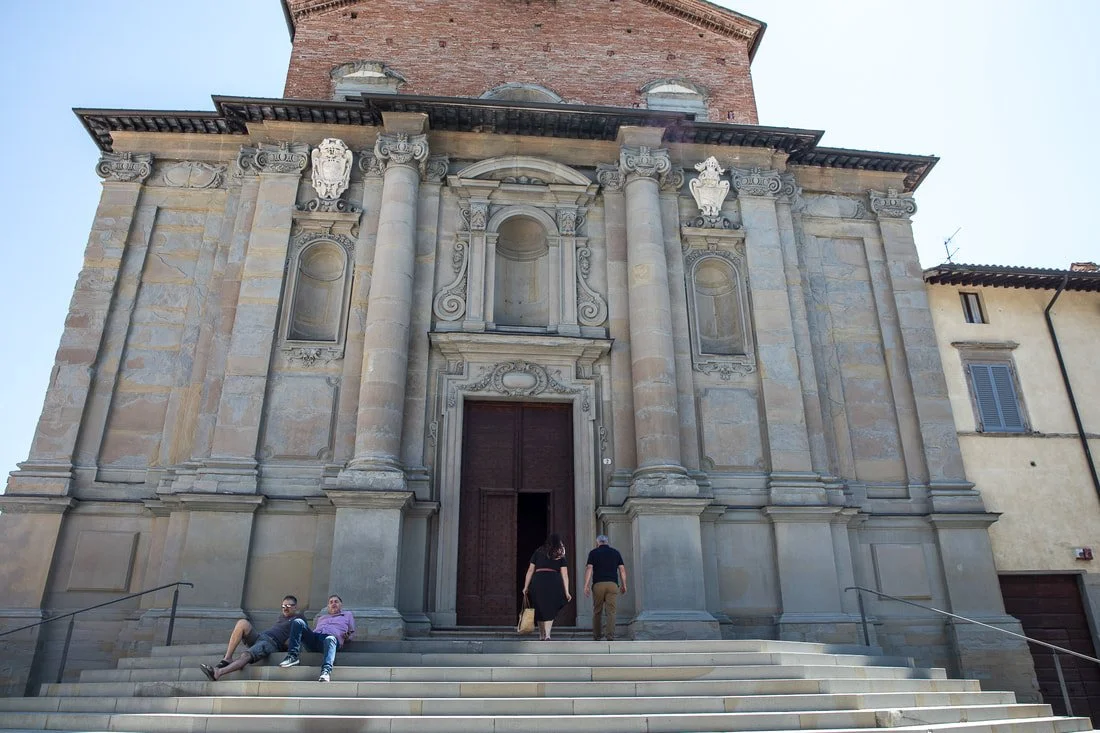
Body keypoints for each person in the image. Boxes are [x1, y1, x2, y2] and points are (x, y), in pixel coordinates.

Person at [199, 595, 305, 681]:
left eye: (288, 606)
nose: (285, 608)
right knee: (242, 623)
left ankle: (218, 673)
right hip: (261, 636)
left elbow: (294, 640)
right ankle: (227, 658)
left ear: (295, 607)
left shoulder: (299, 619)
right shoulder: (282, 617)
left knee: (246, 655)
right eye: (283, 606)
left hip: (271, 643)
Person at [278, 593, 356, 682]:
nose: (333, 604)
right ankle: (292, 656)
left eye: (336, 602)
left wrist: (347, 638)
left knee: (330, 639)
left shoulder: (347, 615)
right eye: (331, 602)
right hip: (315, 639)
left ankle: (326, 672)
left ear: (341, 605)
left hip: (331, 641)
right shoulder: (321, 618)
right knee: (298, 621)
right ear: (328, 606)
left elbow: (352, 633)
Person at [522, 532, 572, 640]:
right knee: (550, 607)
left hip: (538, 580)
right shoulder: (560, 555)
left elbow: (530, 570)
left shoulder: (538, 551)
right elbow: (565, 575)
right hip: (553, 581)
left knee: (539, 608)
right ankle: (548, 635)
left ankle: (541, 635)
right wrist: (567, 591)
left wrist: (526, 586)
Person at [583, 534, 627, 641]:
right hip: (612, 584)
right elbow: (622, 570)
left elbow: (589, 568)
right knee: (611, 611)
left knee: (597, 610)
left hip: (598, 584)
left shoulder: (593, 553)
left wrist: (586, 585)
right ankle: (610, 635)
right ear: (607, 542)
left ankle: (597, 636)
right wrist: (624, 584)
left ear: (597, 542)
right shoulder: (615, 553)